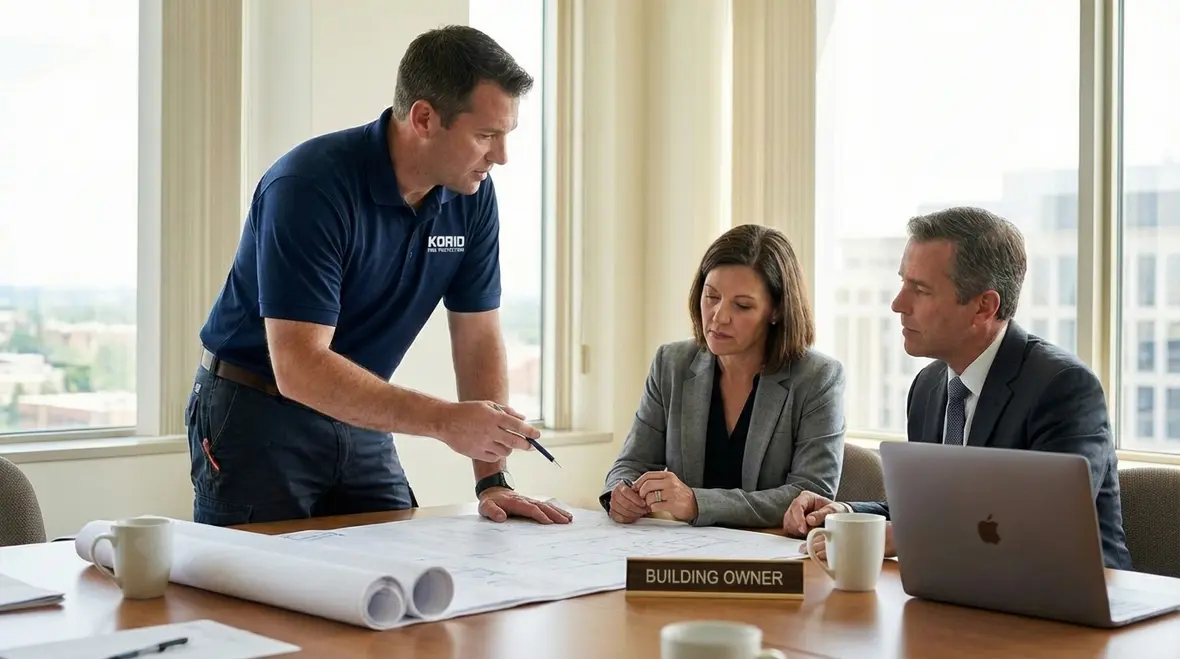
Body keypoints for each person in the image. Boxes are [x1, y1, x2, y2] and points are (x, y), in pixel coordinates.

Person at [184, 25, 570, 528]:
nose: (501, 157)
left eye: (506, 136)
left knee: (399, 581)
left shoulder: (472, 196)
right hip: (256, 409)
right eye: (485, 135)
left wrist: (492, 478)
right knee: (261, 593)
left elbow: (477, 337)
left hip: (360, 410)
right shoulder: (309, 187)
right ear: (425, 118)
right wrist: (443, 421)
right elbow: (299, 366)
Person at [782, 206, 1132, 570]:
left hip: (1072, 602)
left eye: (919, 290)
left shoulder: (1063, 388)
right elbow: (933, 508)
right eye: (903, 282)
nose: (898, 304)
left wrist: (906, 536)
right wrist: (848, 513)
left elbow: (1044, 522)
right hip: (970, 592)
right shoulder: (928, 387)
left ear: (984, 306)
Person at [600, 224, 847, 529]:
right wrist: (620, 492)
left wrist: (696, 503)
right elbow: (632, 462)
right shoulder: (672, 363)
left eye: (742, 305)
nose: (718, 317)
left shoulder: (818, 378)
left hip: (771, 557)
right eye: (712, 296)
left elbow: (811, 494)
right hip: (684, 553)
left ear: (776, 311)